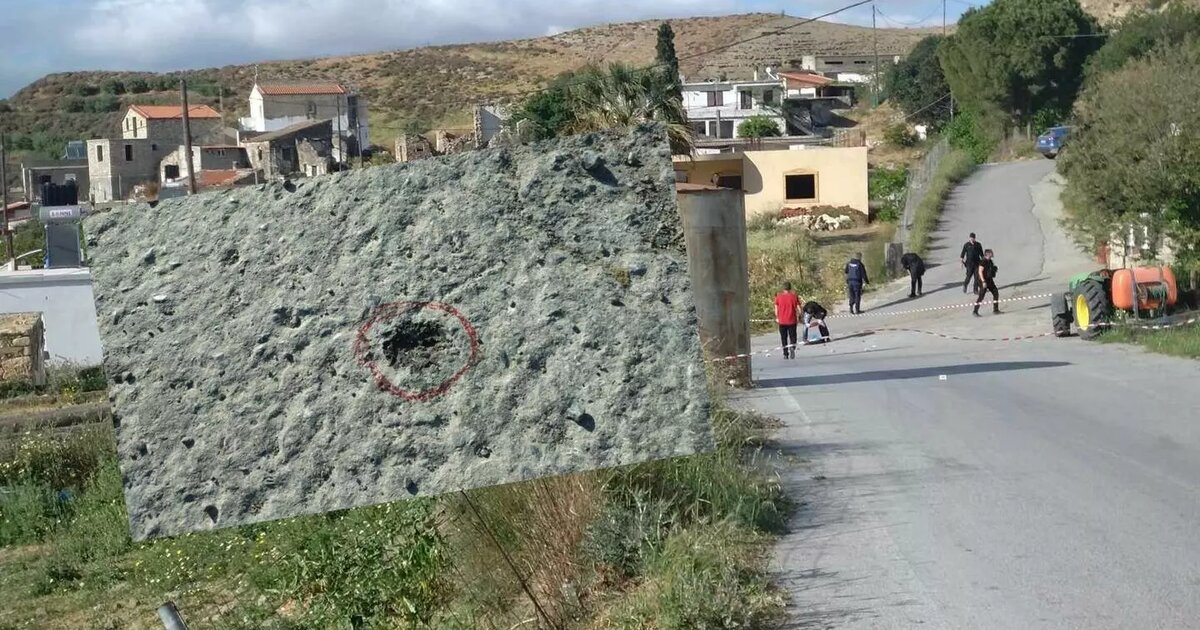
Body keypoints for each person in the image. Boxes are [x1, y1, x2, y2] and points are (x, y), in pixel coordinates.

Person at [774, 282, 800, 359]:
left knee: (783, 338)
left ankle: (785, 354)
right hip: (792, 320)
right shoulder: (794, 296)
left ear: (783, 288)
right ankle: (792, 347)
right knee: (793, 336)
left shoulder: (778, 297)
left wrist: (777, 317)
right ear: (790, 288)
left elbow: (776, 309)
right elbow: (799, 309)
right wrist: (799, 316)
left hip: (782, 321)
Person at [973, 249, 1000, 316]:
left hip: (989, 280)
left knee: (995, 293)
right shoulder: (983, 261)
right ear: (987, 254)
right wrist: (983, 281)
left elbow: (990, 269)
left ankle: (996, 310)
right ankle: (975, 311)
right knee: (981, 296)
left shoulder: (990, 261)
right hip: (983, 281)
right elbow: (980, 272)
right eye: (991, 253)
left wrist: (994, 269)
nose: (992, 254)